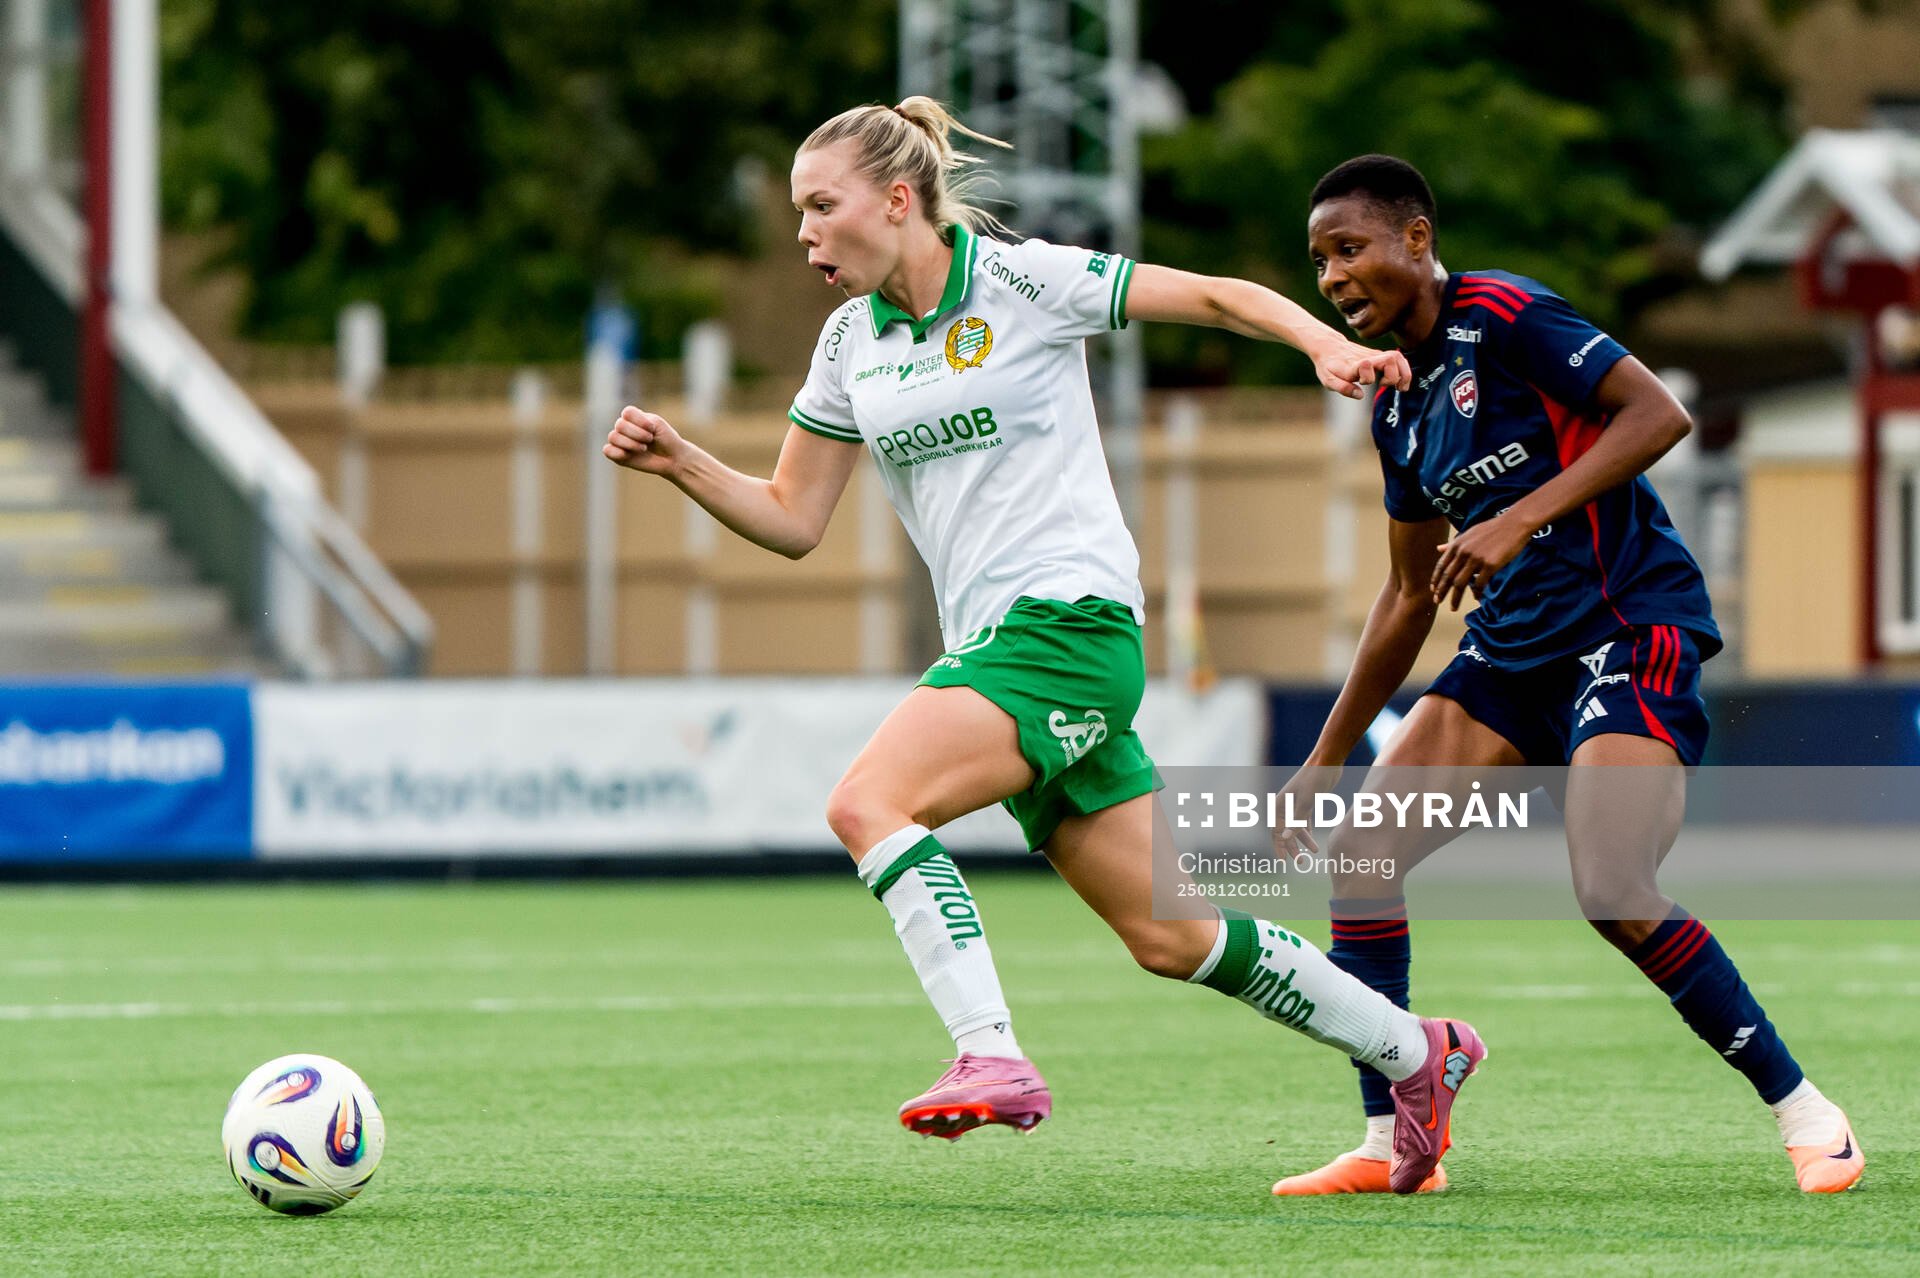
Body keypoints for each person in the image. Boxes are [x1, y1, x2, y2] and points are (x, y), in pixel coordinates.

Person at [605, 100, 1484, 1193]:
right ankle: (1420, 1052)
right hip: (1001, 648)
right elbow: (792, 518)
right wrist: (683, 461)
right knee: (1177, 938)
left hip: (1069, 627)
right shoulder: (848, 344)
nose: (804, 234)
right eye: (798, 214)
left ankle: (992, 1052)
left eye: (819, 207)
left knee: (868, 804)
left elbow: (1210, 294)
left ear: (895, 199)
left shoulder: (1024, 284)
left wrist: (1321, 345)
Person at [1273, 153, 1862, 1196]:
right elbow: (1409, 596)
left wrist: (1514, 517)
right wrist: (1322, 756)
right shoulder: (1397, 409)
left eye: (1349, 248)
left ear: (1416, 239)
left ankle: (1810, 1115)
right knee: (1362, 852)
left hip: (1630, 626)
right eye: (1320, 262)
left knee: (1612, 887)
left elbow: (1657, 417)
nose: (1333, 277)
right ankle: (1389, 1140)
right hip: (1511, 655)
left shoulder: (1504, 314)